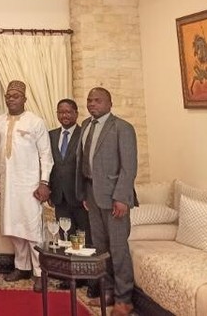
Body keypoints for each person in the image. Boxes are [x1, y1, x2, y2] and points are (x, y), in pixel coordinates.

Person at [75, 87, 138, 316]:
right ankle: (109, 291)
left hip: (115, 199)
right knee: (101, 249)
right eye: (90, 100)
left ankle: (125, 300)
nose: (92, 104)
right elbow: (83, 164)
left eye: (98, 100)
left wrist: (121, 197)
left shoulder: (122, 128)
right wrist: (84, 194)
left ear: (109, 103)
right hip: (92, 196)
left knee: (118, 249)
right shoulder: (85, 126)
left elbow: (128, 167)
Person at [0, 80, 53, 293]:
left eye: (15, 96)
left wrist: (44, 182)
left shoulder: (35, 122)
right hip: (8, 184)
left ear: (24, 99)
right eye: (8, 96)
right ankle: (21, 267)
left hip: (30, 185)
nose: (11, 99)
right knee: (14, 228)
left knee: (33, 229)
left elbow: (46, 154)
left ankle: (39, 273)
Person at [48, 100, 90, 244]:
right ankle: (67, 265)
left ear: (76, 114)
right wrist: (48, 189)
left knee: (85, 237)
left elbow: (88, 165)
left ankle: (84, 266)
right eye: (61, 112)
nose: (64, 115)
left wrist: (87, 193)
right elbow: (48, 165)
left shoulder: (84, 135)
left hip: (80, 197)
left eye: (68, 112)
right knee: (65, 237)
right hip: (59, 197)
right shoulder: (51, 135)